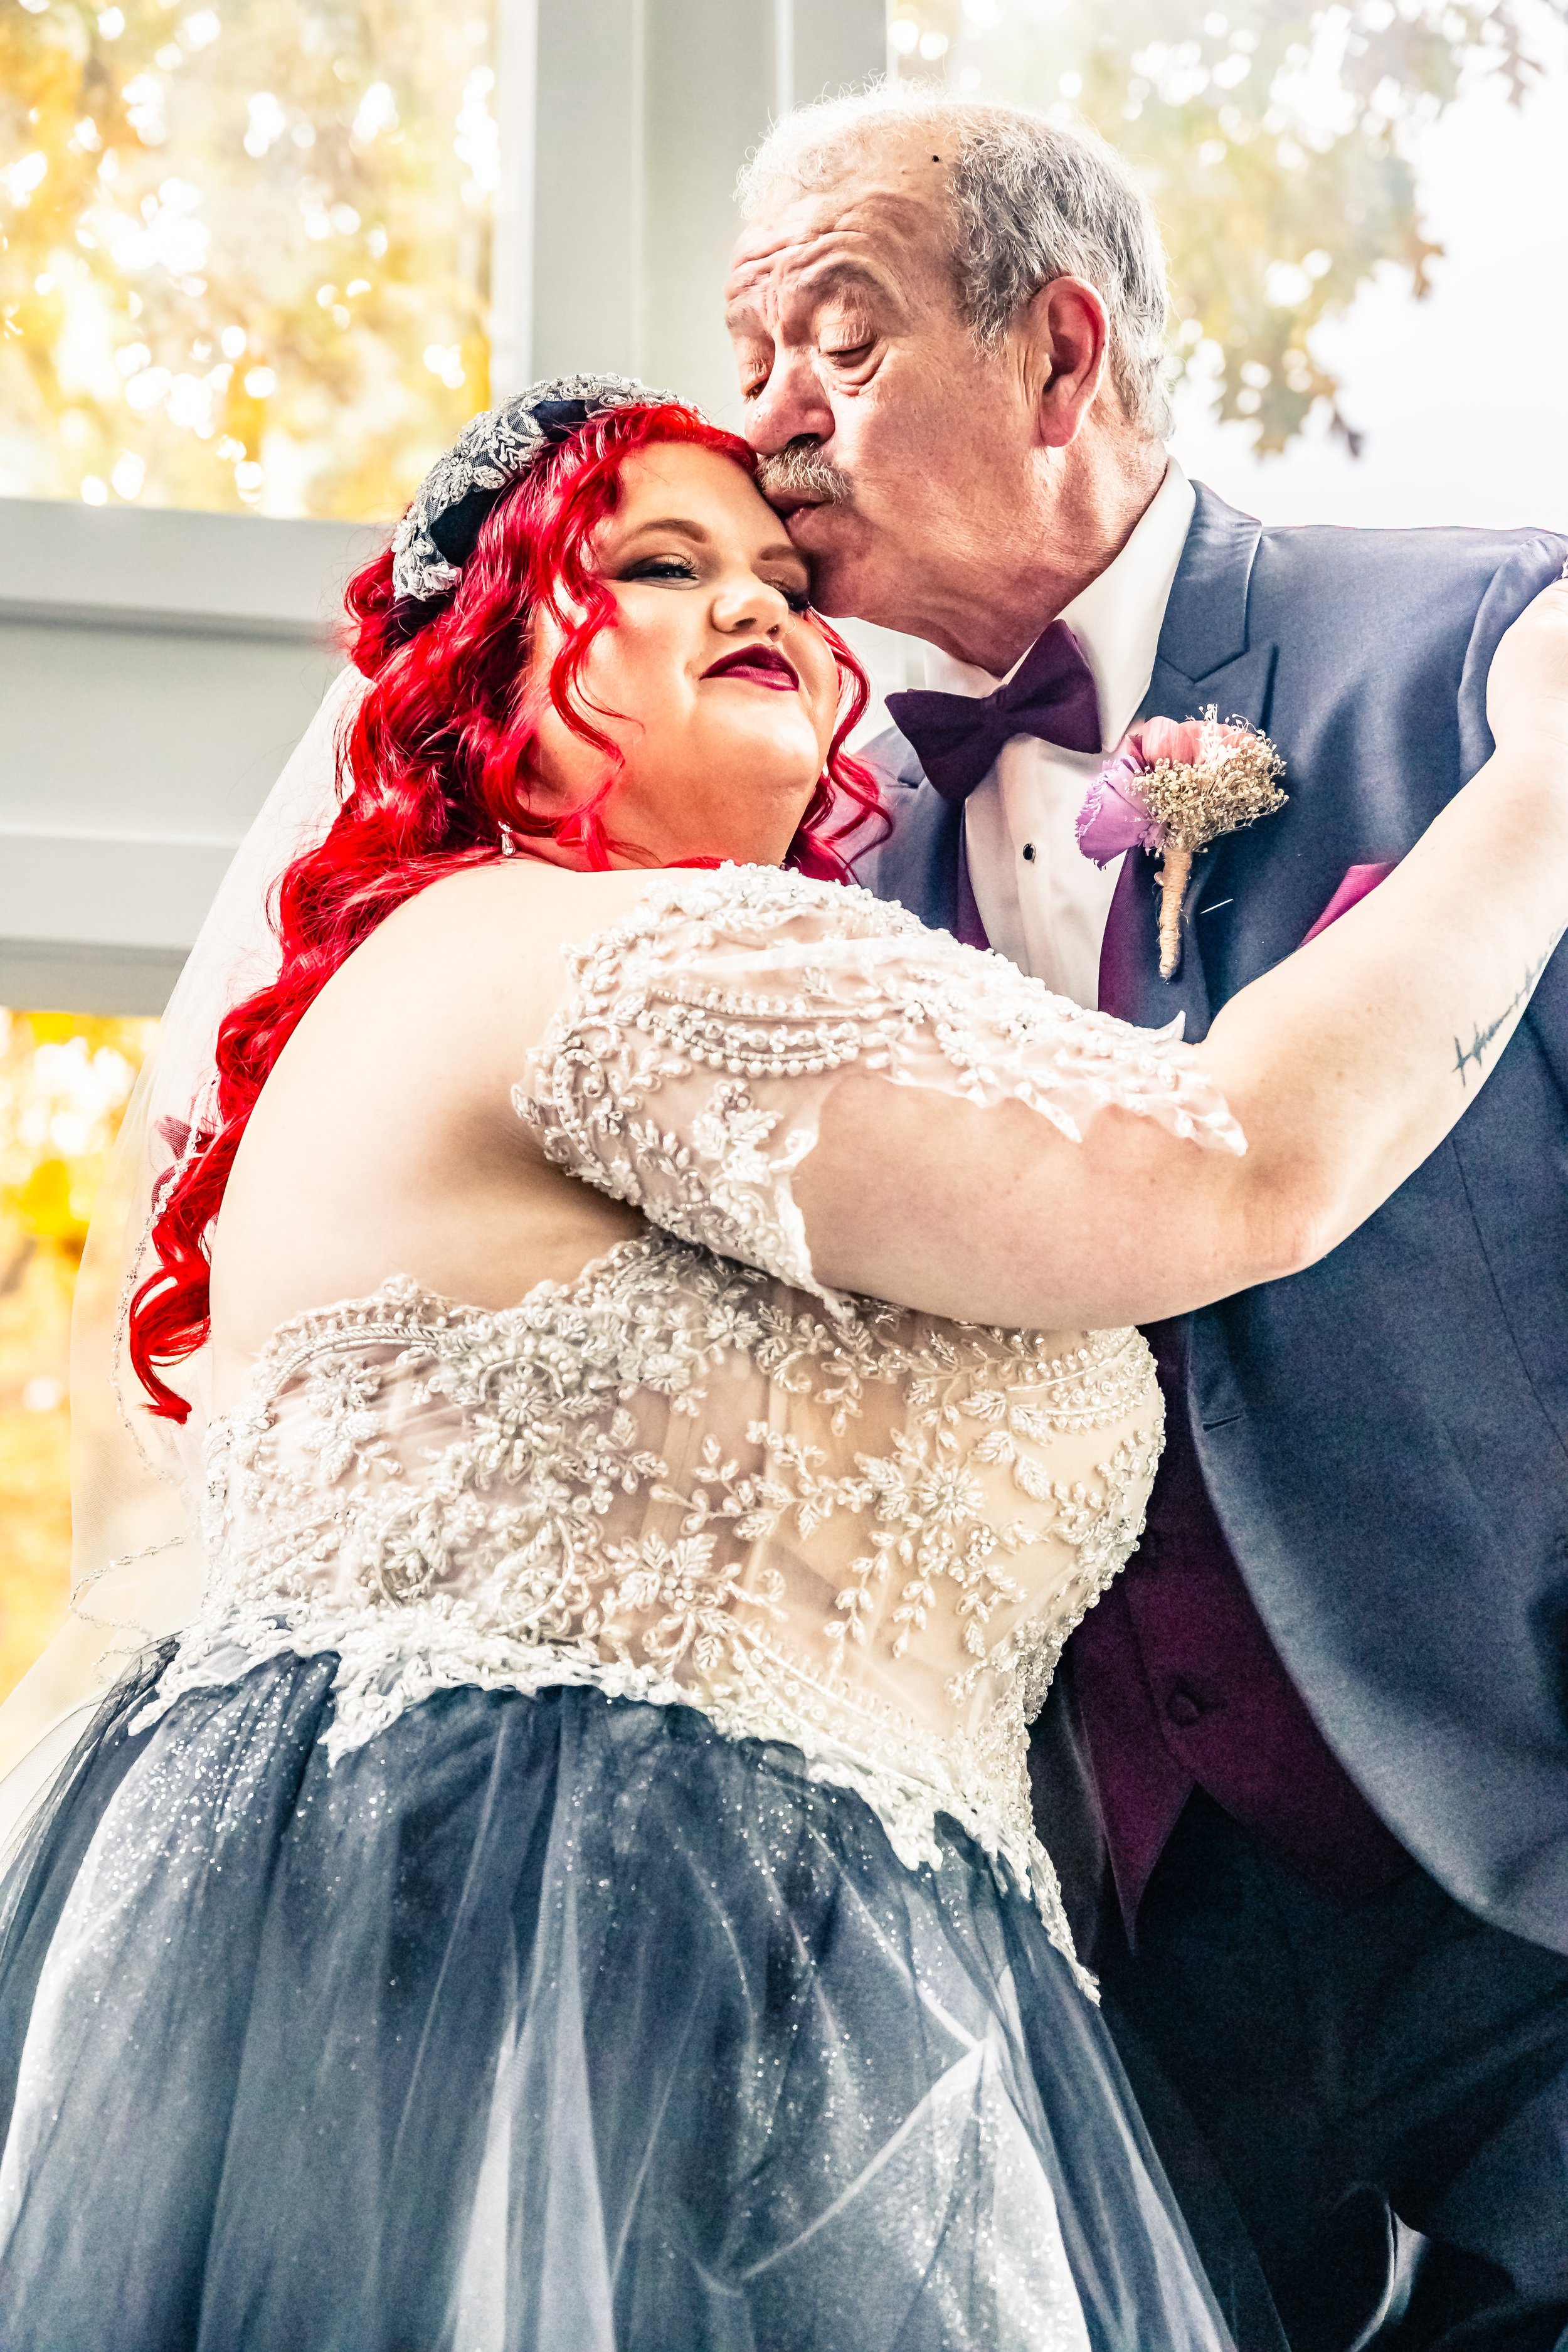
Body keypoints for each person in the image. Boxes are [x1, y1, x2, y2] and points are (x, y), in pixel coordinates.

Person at [0, 374, 1565, 2352]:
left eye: (775, 572)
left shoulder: (523, 975)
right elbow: (1233, 1161)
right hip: (597, 1953)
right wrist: (1543, 778)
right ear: (487, 658)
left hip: (730, 1953)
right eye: (659, 563)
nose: (759, 603)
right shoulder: (601, 953)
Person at [726, 84, 1568, 2351]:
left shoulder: (1487, 652)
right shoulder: (789, 874)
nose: (763, 420)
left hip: (1524, 1870)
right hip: (1102, 1973)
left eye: (830, 333)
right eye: (743, 361)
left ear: (1059, 356)